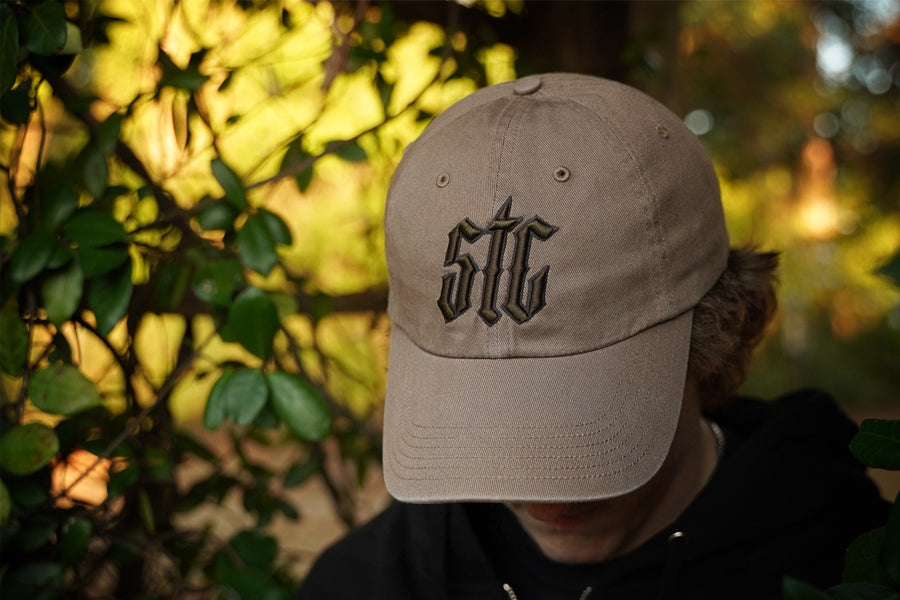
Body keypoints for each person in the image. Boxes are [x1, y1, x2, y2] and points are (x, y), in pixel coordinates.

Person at [296, 73, 889, 599]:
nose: (543, 496)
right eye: (480, 417)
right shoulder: (364, 581)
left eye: (578, 415)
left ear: (720, 329)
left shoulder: (849, 561)